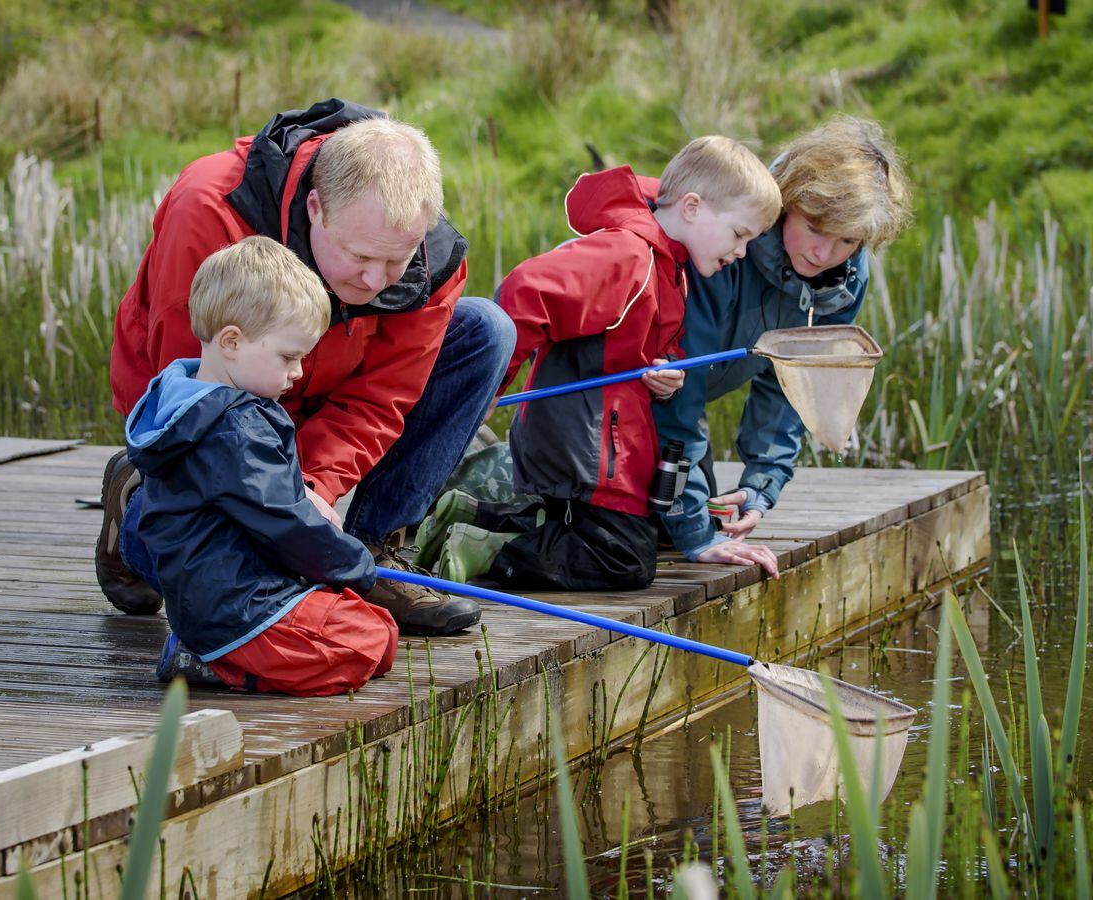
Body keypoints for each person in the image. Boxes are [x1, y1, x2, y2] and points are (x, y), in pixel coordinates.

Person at [96, 99, 515, 636]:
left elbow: (379, 399)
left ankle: (374, 550)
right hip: (205, 404)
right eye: (360, 256)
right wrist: (279, 508)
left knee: (486, 328)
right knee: (226, 561)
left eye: (396, 259)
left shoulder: (431, 259)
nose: (375, 280)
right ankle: (131, 503)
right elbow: (195, 390)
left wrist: (315, 490)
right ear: (316, 207)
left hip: (323, 380)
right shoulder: (210, 207)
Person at [415, 136, 783, 590]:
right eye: (739, 234)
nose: (742, 251)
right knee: (622, 560)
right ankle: (480, 549)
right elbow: (526, 290)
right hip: (584, 444)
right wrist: (488, 386)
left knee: (633, 542)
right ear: (692, 208)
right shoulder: (627, 256)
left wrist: (663, 370)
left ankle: (473, 514)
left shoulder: (670, 266)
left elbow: (634, 342)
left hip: (611, 442)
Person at [120, 236, 398, 694]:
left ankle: (207, 650)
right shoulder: (234, 428)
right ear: (232, 341)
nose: (297, 373)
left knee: (371, 624)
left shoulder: (185, 398)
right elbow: (283, 521)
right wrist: (354, 563)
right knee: (371, 641)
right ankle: (215, 665)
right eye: (289, 357)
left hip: (222, 594)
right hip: (238, 607)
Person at [654, 116, 912, 566]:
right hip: (625, 399)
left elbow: (792, 385)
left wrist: (762, 484)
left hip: (675, 411)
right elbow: (681, 395)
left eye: (847, 240)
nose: (823, 253)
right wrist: (697, 535)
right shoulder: (722, 244)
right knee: (648, 536)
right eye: (813, 228)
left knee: (684, 525)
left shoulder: (844, 281)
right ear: (787, 202)